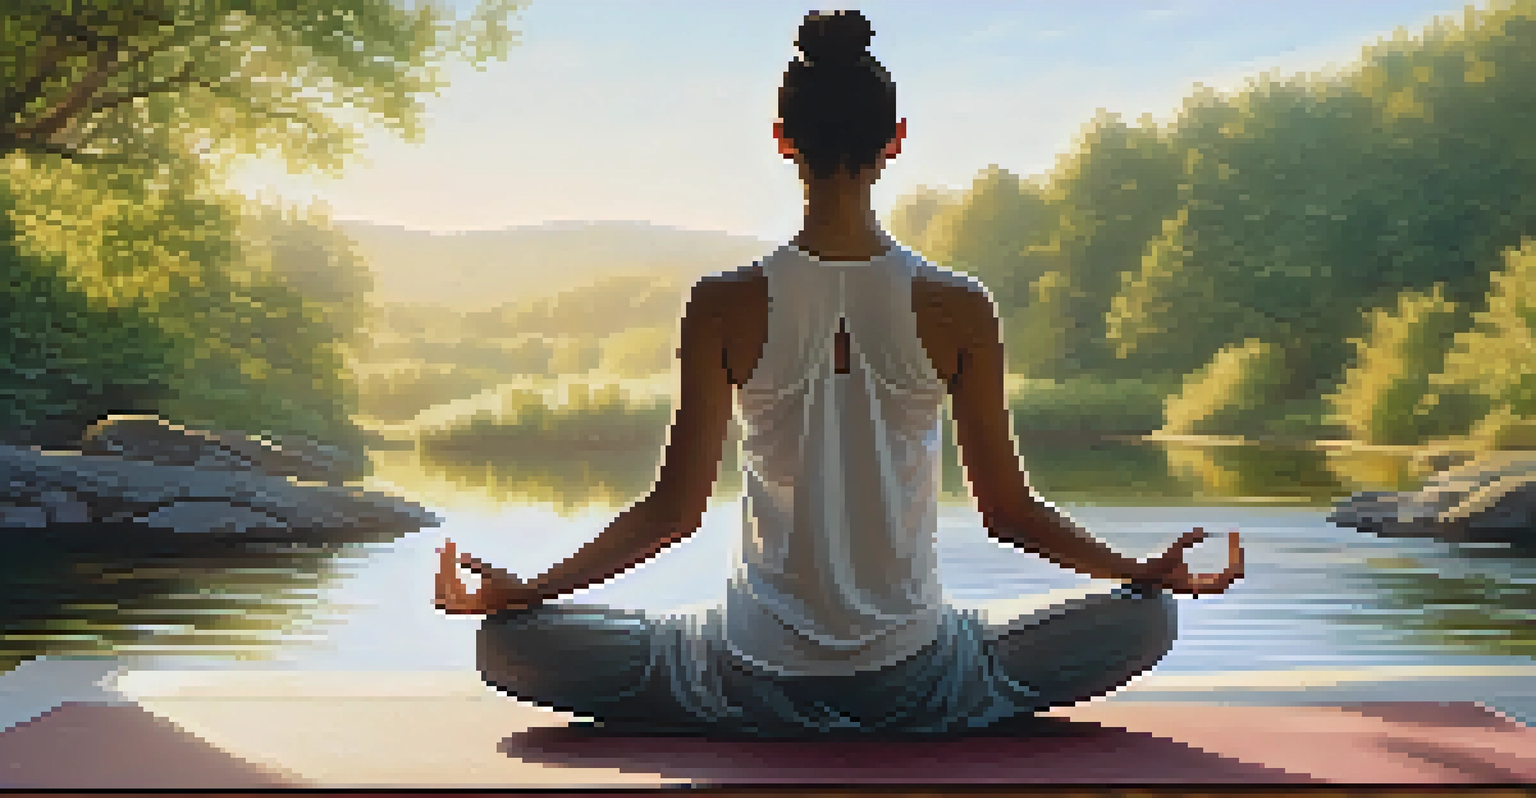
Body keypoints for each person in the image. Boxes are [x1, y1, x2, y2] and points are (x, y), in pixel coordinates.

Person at [434, 9, 1244, 739]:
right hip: (920, 678)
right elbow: (1009, 514)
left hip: (742, 675)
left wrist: (530, 590)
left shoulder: (722, 304)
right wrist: (1138, 572)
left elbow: (671, 514)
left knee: (510, 645)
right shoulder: (960, 306)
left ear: (783, 140)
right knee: (1147, 622)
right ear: (895, 141)